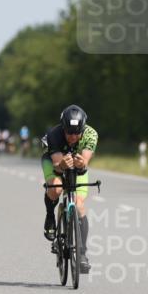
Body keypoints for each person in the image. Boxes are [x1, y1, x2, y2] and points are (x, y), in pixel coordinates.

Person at [41, 105, 98, 273]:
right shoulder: (54, 134)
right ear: (63, 128)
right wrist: (62, 165)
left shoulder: (91, 134)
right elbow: (57, 166)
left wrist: (82, 163)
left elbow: (84, 162)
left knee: (79, 205)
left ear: (83, 129)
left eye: (77, 133)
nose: (73, 137)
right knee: (56, 188)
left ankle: (82, 254)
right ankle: (50, 216)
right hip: (54, 162)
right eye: (69, 133)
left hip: (77, 166)